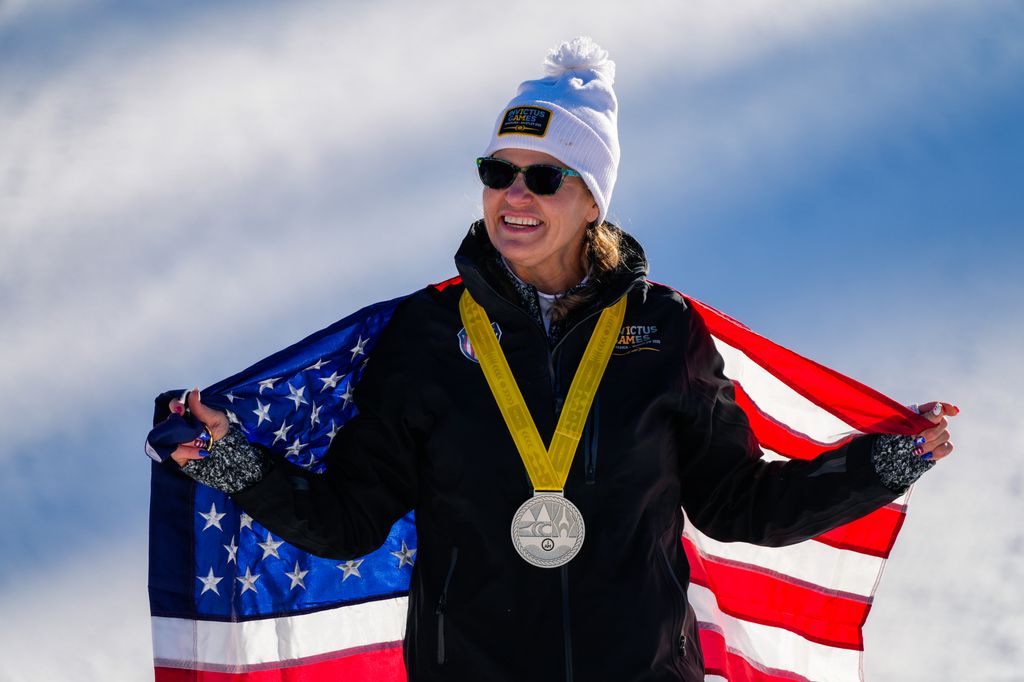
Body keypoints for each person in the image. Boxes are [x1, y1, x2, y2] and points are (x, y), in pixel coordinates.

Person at [159, 37, 956, 682]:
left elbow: (737, 503)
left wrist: (880, 466)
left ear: (592, 200)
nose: (515, 195)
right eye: (498, 172)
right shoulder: (430, 336)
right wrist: (233, 463)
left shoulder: (662, 333)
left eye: (545, 177)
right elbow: (349, 521)